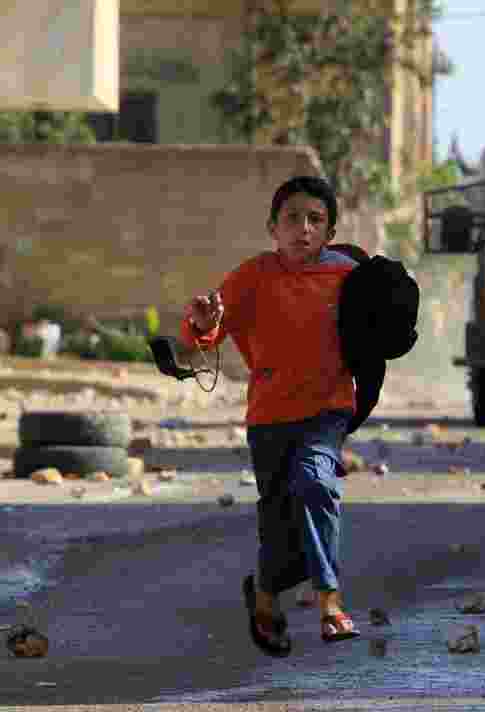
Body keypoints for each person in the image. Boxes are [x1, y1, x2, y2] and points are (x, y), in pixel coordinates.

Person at [181, 175, 365, 657]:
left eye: (315, 220)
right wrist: (204, 322)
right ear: (272, 227)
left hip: (327, 411)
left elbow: (383, 330)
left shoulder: (347, 277)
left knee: (315, 484)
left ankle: (330, 600)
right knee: (279, 517)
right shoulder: (253, 276)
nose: (302, 228)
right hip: (269, 417)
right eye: (292, 219)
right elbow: (207, 332)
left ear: (329, 232)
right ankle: (264, 595)